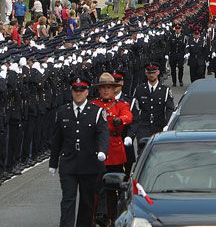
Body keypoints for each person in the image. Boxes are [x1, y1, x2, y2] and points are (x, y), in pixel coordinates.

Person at [49, 77, 109, 227]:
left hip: (89, 163)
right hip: (68, 162)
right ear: (71, 92)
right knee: (68, 199)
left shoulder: (96, 112)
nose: (78, 93)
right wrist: (53, 163)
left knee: (87, 201)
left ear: (87, 92)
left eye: (81, 90)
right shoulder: (63, 112)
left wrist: (102, 151)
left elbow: (103, 134)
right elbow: (57, 139)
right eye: (75, 90)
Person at [90, 73, 133, 225]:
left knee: (113, 187)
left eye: (109, 87)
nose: (106, 91)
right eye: (103, 88)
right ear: (99, 90)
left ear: (114, 89)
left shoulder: (120, 105)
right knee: (96, 187)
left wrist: (119, 120)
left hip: (114, 150)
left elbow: (128, 116)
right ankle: (95, 217)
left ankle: (112, 217)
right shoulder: (93, 105)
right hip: (97, 150)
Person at [129, 64, 174, 151]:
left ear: (158, 72)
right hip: (143, 126)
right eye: (149, 73)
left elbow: (170, 109)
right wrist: (136, 125)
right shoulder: (139, 89)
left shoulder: (165, 90)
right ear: (146, 73)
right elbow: (135, 109)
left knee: (159, 152)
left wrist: (168, 124)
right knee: (142, 152)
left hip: (159, 126)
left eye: (153, 72)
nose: (151, 75)